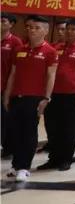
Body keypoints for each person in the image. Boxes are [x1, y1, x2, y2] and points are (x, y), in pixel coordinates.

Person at [2, 15, 57, 182]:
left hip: (34, 98)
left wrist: (46, 98)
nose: (32, 30)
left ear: (45, 31)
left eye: (37, 28)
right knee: (15, 132)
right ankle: (16, 164)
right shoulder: (20, 49)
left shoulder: (50, 51)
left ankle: (24, 167)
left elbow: (51, 76)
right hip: (16, 96)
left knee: (29, 133)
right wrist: (7, 95)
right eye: (30, 27)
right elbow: (13, 74)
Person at [42, 18, 75, 172]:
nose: (69, 32)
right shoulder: (56, 47)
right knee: (52, 127)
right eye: (67, 29)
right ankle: (54, 158)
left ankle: (66, 159)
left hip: (72, 94)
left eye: (73, 29)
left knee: (68, 128)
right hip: (53, 94)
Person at [0, 13, 24, 160]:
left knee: (5, 120)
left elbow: (17, 68)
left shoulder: (15, 42)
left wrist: (9, 90)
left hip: (5, 87)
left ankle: (8, 148)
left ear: (11, 24)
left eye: (3, 21)